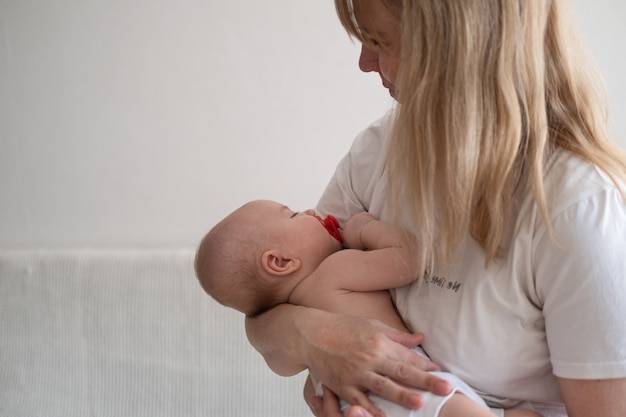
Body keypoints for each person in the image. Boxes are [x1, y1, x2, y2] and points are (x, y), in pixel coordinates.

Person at [243, 1, 626, 417]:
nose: (364, 62)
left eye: (377, 40)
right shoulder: (377, 153)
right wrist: (314, 339)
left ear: (454, 47)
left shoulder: (576, 210)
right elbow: (268, 314)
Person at [195, 199, 540, 417]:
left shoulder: (294, 317)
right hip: (409, 392)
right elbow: (412, 259)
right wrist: (364, 230)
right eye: (295, 213)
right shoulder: (335, 271)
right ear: (280, 261)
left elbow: (291, 374)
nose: (313, 211)